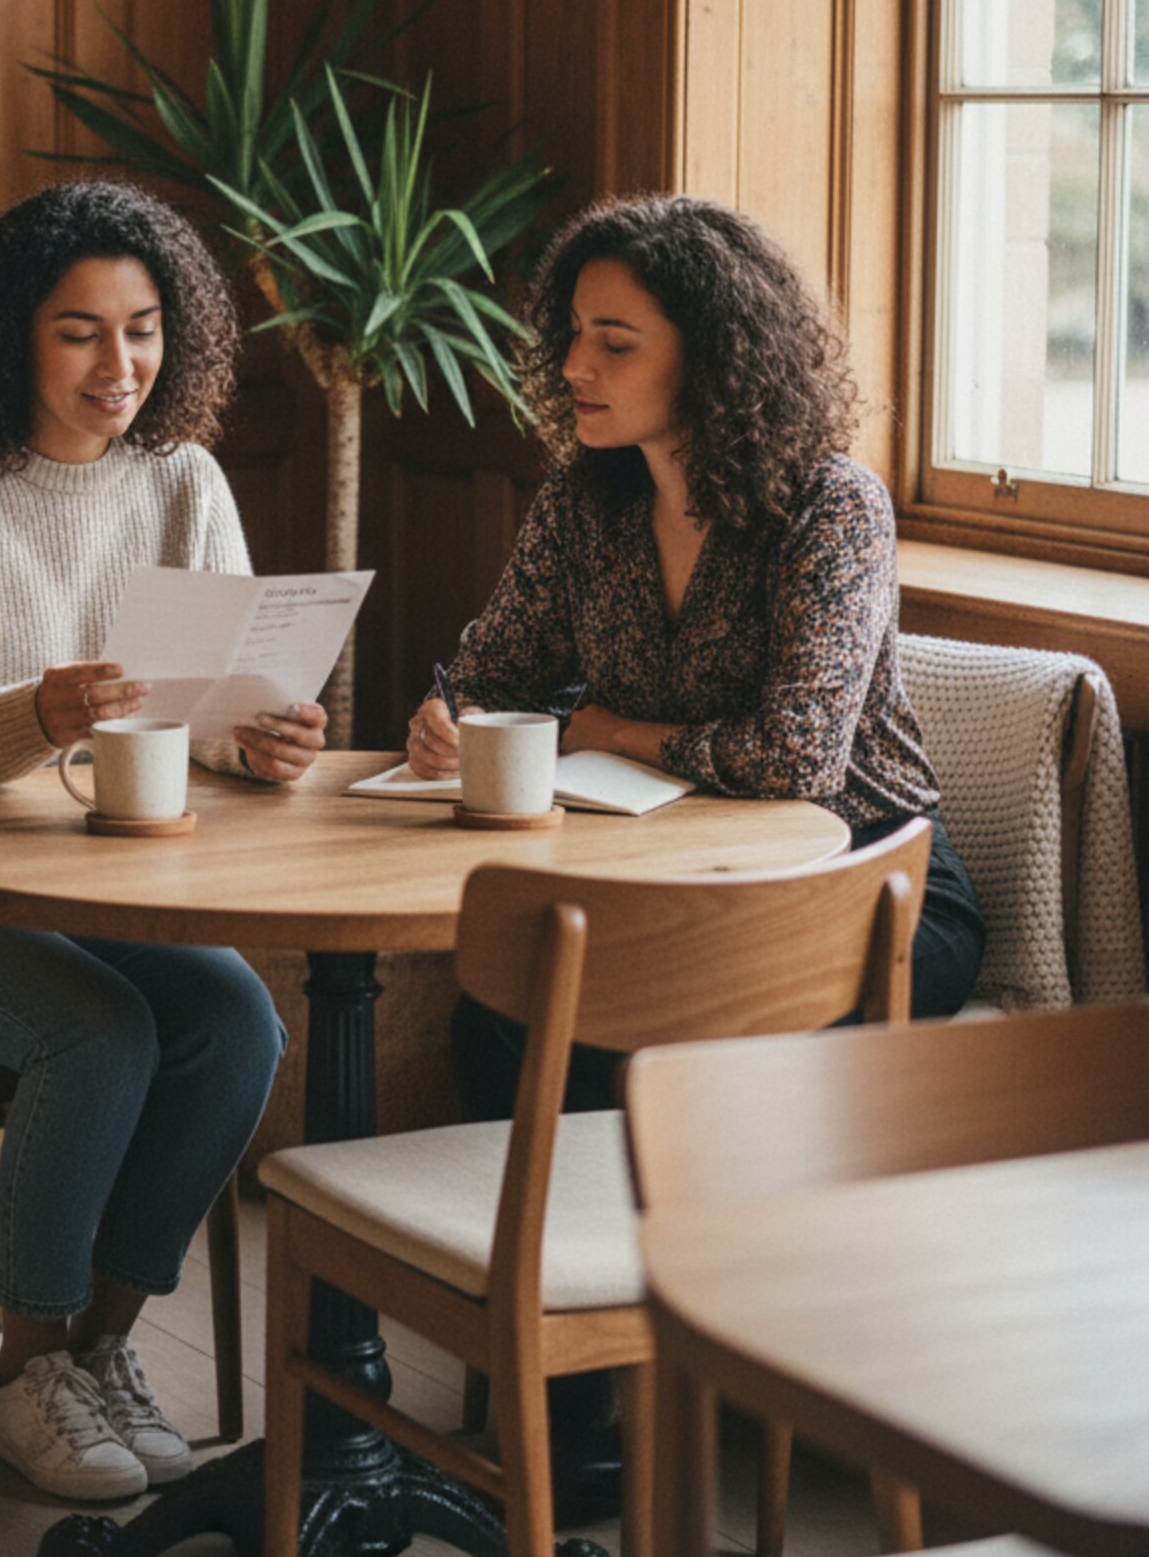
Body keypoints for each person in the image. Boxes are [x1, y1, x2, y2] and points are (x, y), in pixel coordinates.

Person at [0, 179, 325, 1503]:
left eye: (144, 330)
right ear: (12, 337)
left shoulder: (183, 480)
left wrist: (249, 735)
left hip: (72, 879)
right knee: (101, 1033)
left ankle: (99, 1351)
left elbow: (194, 708)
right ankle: (22, 1375)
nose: (120, 366)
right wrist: (38, 711)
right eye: (81, 331)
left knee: (239, 1028)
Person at [409, 193, 984, 1117]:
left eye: (616, 343)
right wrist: (450, 723)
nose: (574, 365)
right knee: (496, 1022)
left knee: (671, 1053)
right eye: (573, 333)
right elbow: (489, 678)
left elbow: (796, 758)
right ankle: (531, 1259)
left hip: (864, 889)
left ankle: (675, 1260)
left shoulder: (833, 508)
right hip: (668, 880)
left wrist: (610, 731)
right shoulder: (583, 502)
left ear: (712, 358)